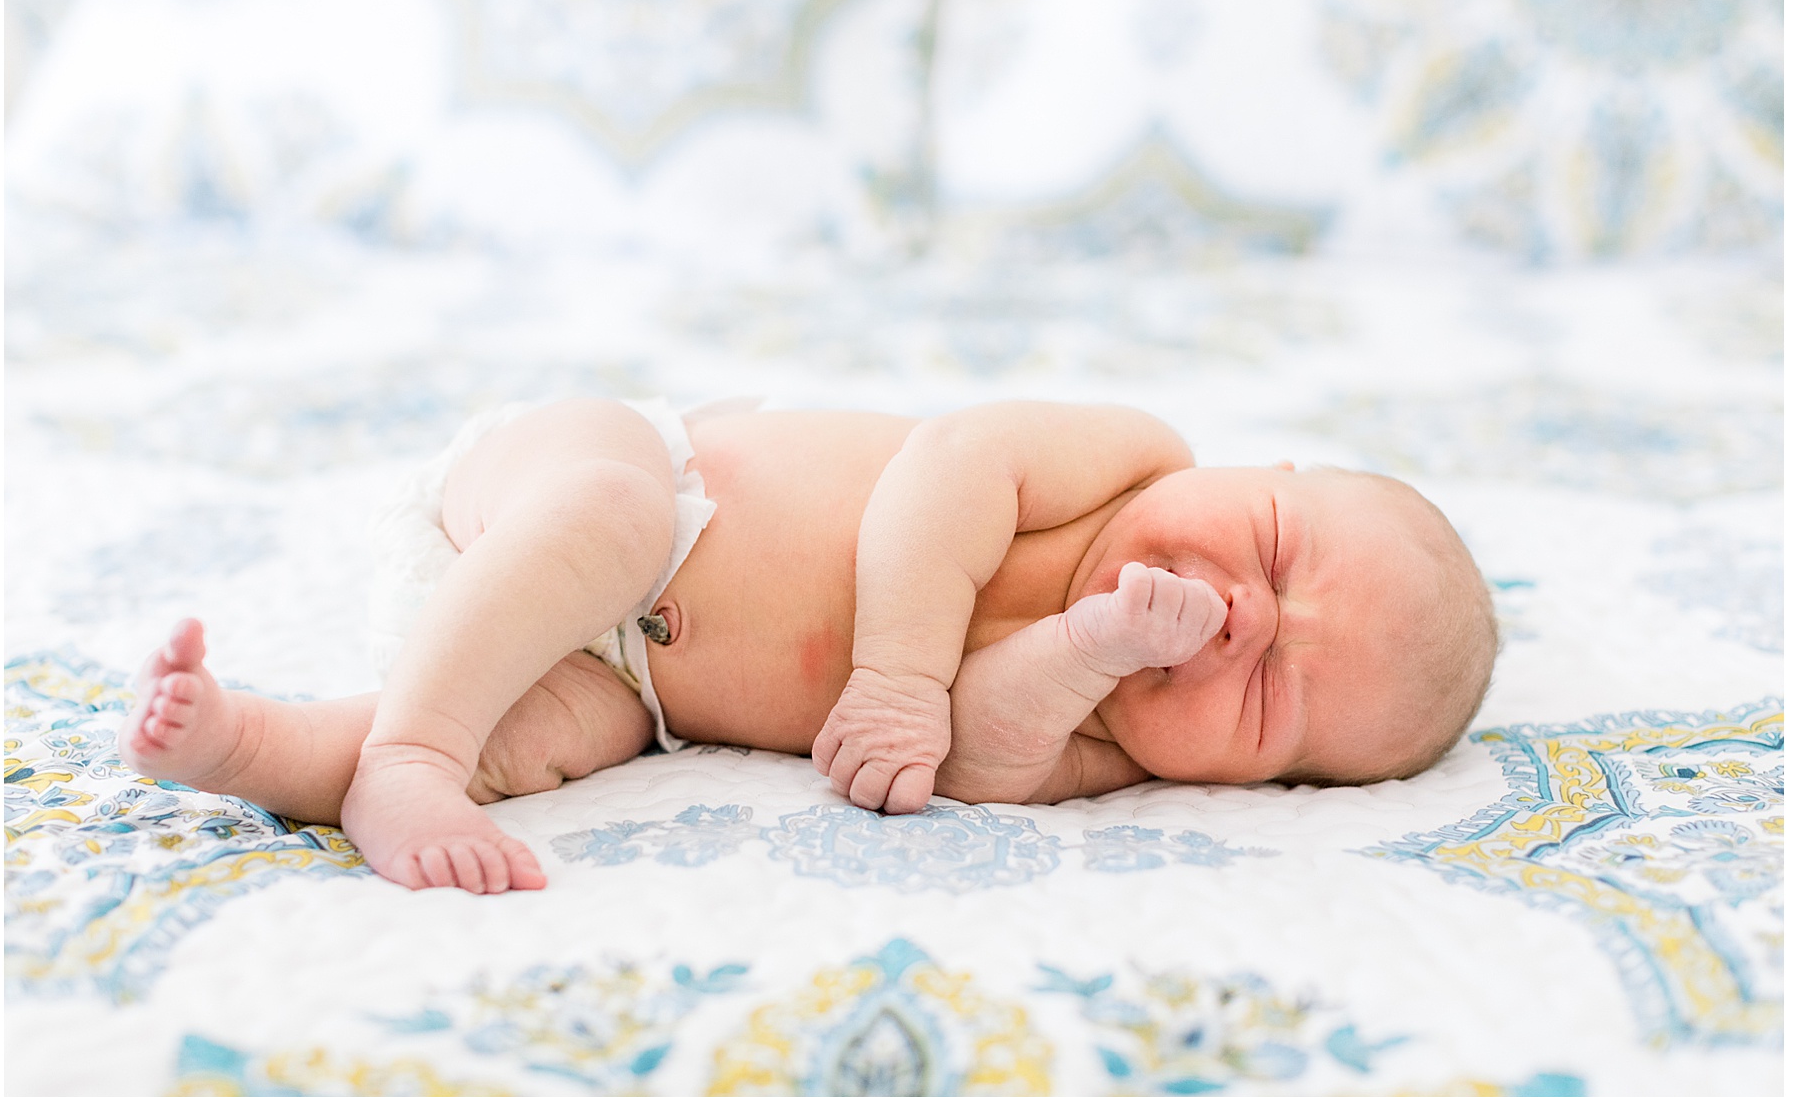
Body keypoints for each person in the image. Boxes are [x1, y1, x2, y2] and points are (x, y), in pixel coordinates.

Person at [120, 398, 1497, 895]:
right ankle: (414, 752)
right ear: (1266, 470)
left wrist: (1093, 645)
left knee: (545, 741)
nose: (1245, 618)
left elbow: (979, 757)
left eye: (1269, 694)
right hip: (620, 477)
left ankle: (256, 744)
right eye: (1275, 546)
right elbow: (951, 468)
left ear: (1263, 784)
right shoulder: (1132, 459)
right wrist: (896, 673)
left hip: (629, 683)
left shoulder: (1110, 743)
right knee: (608, 519)